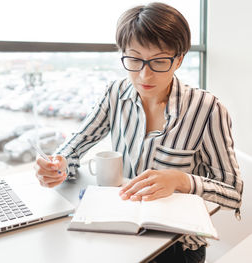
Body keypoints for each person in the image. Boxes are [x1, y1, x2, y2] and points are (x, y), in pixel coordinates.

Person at [34, 2, 243, 262]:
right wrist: (58, 165)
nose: (145, 74)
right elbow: (77, 143)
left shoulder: (206, 108)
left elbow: (233, 192)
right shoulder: (115, 93)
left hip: (177, 245)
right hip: (121, 229)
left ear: (178, 59)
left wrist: (181, 181)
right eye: (134, 59)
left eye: (159, 61)